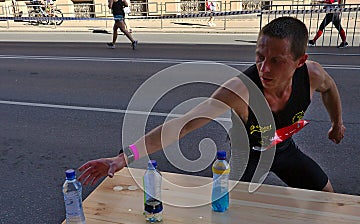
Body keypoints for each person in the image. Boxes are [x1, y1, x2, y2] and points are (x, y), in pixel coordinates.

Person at [78, 17, 345, 193]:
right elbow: (180, 127)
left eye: (277, 60)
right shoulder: (239, 90)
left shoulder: (312, 75)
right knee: (232, 218)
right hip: (247, 157)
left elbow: (330, 89)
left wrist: (337, 123)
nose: (264, 68)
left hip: (285, 150)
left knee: (327, 195)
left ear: (299, 61)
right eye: (260, 56)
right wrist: (124, 157)